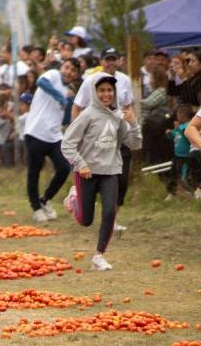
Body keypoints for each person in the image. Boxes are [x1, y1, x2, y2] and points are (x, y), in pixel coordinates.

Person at [61, 74, 141, 271]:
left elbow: (133, 144)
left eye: (109, 90)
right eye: (102, 90)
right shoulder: (87, 115)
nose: (106, 94)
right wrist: (81, 164)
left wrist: (134, 124)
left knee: (109, 211)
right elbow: (67, 144)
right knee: (86, 221)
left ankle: (99, 256)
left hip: (111, 170)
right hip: (87, 173)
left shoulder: (118, 117)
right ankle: (74, 199)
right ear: (94, 93)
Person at [72, 48, 134, 231]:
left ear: (119, 61)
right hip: (95, 137)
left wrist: (132, 129)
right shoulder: (90, 81)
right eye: (107, 59)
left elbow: (128, 106)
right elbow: (77, 106)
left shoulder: (124, 80)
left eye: (113, 59)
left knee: (121, 180)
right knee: (94, 179)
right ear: (101, 61)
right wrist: (78, 133)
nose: (110, 63)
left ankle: (112, 218)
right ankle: (78, 198)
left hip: (118, 134)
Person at [24, 58, 80, 222]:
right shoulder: (53, 74)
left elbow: (65, 118)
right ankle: (36, 209)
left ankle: (45, 199)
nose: (68, 72)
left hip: (54, 135)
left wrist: (68, 101)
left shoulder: (69, 90)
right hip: (36, 131)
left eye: (73, 71)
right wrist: (60, 97)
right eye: (67, 67)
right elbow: (41, 82)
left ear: (76, 75)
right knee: (34, 171)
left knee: (63, 167)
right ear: (62, 67)